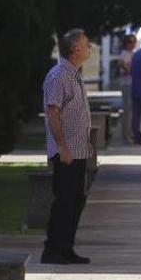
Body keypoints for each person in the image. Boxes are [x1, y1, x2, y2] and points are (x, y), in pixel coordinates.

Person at [41, 29, 94, 265]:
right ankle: (52, 250)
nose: (90, 47)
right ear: (75, 49)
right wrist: (62, 146)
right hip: (66, 152)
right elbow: (52, 112)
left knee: (75, 200)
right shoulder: (60, 75)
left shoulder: (74, 74)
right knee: (64, 201)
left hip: (78, 150)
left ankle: (66, 248)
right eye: (86, 44)